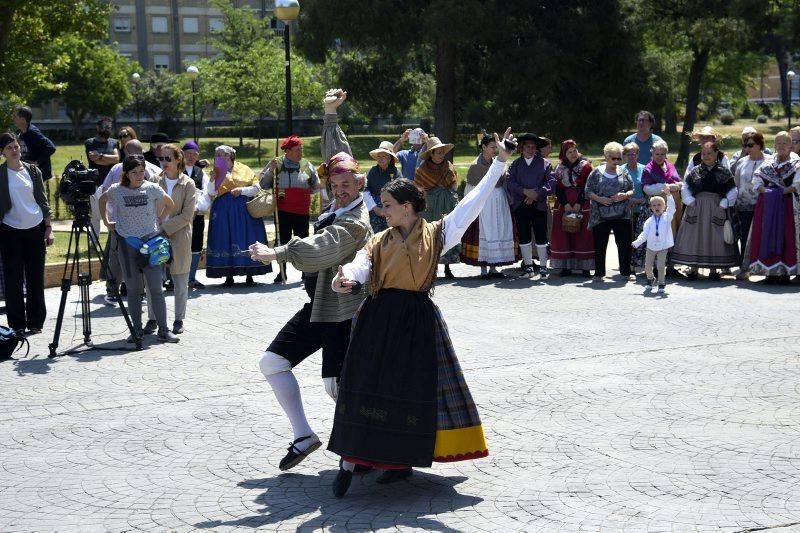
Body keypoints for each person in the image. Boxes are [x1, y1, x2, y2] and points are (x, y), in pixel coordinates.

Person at [325, 129, 515, 500]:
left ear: (408, 207)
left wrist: (499, 163)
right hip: (377, 319)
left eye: (387, 205)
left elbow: (473, 201)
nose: (381, 210)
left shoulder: (440, 233)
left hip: (417, 320)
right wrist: (344, 279)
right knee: (363, 388)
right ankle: (349, 463)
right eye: (381, 205)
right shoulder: (380, 239)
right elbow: (359, 265)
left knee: (409, 390)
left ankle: (399, 463)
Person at [249, 88, 372, 473]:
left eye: (347, 184)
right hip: (319, 305)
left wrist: (279, 253)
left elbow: (322, 248)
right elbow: (337, 157)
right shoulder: (337, 203)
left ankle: (371, 447)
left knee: (338, 387)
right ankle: (304, 436)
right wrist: (330, 115)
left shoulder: (355, 222)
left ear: (361, 185)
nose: (339, 188)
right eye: (335, 185)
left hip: (345, 310)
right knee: (272, 363)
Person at [98, 156, 178, 343]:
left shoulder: (151, 188)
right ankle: (136, 330)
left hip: (151, 244)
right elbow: (102, 200)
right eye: (134, 172)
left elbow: (170, 204)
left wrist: (159, 218)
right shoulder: (117, 190)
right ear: (126, 173)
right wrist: (107, 221)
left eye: (141, 171)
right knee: (134, 290)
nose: (139, 175)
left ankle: (164, 330)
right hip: (127, 245)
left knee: (156, 289)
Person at [0, 132, 54, 335]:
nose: (15, 150)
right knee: (13, 279)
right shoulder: (1, 173)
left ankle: (35, 322)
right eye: (9, 148)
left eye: (16, 146)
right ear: (2, 153)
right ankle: (16, 324)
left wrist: (49, 228)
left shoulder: (33, 171)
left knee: (35, 277)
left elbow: (43, 200)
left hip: (35, 227)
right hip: (9, 230)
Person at [99, 139, 162, 305]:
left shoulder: (149, 170)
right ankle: (116, 291)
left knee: (133, 258)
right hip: (122, 223)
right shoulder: (118, 169)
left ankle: (131, 292)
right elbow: (104, 194)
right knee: (118, 257)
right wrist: (107, 220)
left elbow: (161, 196)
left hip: (140, 226)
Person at [206, 145, 271, 287]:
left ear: (229, 156)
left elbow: (256, 188)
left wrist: (242, 190)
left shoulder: (245, 169)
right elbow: (211, 193)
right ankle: (228, 276)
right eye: (216, 155)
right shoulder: (215, 172)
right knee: (225, 238)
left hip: (244, 211)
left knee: (247, 237)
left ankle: (250, 275)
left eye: (219, 155)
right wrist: (212, 180)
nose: (216, 158)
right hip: (223, 212)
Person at [147, 144, 196, 335]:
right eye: (161, 159)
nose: (164, 163)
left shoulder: (188, 183)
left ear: (178, 160)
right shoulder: (153, 180)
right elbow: (147, 208)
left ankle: (178, 319)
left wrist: (164, 229)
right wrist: (155, 230)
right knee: (152, 281)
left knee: (180, 279)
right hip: (154, 237)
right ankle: (152, 319)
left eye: (168, 159)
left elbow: (187, 215)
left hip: (179, 236)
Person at [672, 141, 739, 279]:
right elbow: (685, 187)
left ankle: (714, 270)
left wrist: (725, 202)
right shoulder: (695, 171)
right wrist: (689, 200)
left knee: (715, 236)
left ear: (716, 154)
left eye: (709, 153)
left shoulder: (724, 172)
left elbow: (733, 190)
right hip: (696, 207)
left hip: (717, 207)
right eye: (704, 153)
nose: (706, 156)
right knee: (695, 236)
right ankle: (693, 268)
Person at [259, 135, 320, 283]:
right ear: (287, 151)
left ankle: (306, 273)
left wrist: (301, 193)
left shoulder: (307, 165)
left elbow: (315, 186)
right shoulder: (276, 163)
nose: (300, 153)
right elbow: (263, 184)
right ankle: (282, 273)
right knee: (283, 242)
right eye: (297, 150)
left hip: (302, 211)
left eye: (301, 150)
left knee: (304, 242)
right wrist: (270, 170)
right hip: (282, 211)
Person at [744, 131, 800, 284]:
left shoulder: (796, 163)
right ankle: (769, 273)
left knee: (786, 237)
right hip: (768, 206)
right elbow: (757, 181)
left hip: (787, 207)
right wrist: (769, 192)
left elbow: (796, 185)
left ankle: (784, 273)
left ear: (791, 146)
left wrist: (778, 192)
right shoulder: (768, 163)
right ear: (774, 145)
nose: (781, 146)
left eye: (785, 143)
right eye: (778, 143)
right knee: (766, 235)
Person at [459, 134, 518, 278]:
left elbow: (503, 179)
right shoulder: (476, 165)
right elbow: (470, 189)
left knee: (497, 230)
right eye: (492, 147)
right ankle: (483, 269)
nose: (494, 150)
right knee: (484, 232)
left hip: (499, 202)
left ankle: (493, 268)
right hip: (484, 203)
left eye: (496, 147)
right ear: (484, 147)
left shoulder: (497, 162)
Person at [506, 133, 555, 279]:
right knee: (524, 237)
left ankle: (543, 268)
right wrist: (524, 192)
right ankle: (528, 268)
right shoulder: (515, 164)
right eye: (527, 147)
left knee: (541, 236)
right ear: (521, 148)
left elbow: (551, 182)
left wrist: (537, 194)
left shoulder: (545, 164)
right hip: (520, 205)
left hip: (539, 205)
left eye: (533, 147)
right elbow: (510, 182)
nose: (530, 149)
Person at [585, 142, 635, 282]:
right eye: (614, 158)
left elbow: (632, 189)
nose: (617, 161)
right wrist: (599, 199)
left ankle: (626, 271)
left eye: (619, 158)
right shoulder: (595, 172)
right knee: (600, 244)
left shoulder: (624, 171)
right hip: (600, 214)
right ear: (606, 157)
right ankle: (599, 273)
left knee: (624, 244)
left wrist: (624, 195)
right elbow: (587, 191)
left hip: (622, 214)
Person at [414, 137, 460, 278]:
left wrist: (451, 197)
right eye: (438, 152)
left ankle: (447, 268)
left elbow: (454, 185)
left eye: (442, 152)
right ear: (431, 154)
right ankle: (430, 269)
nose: (441, 155)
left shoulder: (449, 166)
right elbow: (418, 188)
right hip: (430, 206)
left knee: (446, 232)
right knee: (430, 235)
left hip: (447, 204)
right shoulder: (422, 169)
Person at [549, 140, 594, 276]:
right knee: (564, 234)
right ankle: (565, 267)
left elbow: (587, 186)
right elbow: (558, 188)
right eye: (569, 152)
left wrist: (579, 203)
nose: (573, 154)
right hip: (564, 203)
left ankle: (585, 267)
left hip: (582, 201)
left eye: (575, 150)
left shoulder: (586, 166)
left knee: (583, 235)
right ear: (564, 153)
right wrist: (566, 204)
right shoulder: (559, 168)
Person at [641, 140, 683, 276]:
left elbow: (678, 181)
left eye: (662, 154)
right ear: (652, 153)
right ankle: (656, 267)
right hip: (657, 206)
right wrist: (664, 187)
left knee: (672, 233)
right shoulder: (648, 169)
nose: (659, 156)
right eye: (657, 153)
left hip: (673, 204)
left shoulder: (670, 166)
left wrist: (677, 185)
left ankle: (671, 266)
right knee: (658, 234)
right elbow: (646, 189)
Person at [733, 132, 767, 279]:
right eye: (745, 145)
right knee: (744, 236)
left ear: (760, 145)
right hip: (744, 205)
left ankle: (765, 268)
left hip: (763, 205)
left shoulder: (769, 161)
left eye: (751, 145)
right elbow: (736, 183)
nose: (747, 148)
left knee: (764, 236)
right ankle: (744, 268)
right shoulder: (742, 162)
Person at [632, 194, 676, 294]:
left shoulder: (667, 217)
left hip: (663, 247)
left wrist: (669, 195)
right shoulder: (648, 221)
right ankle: (650, 278)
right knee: (647, 266)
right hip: (651, 247)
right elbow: (644, 234)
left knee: (660, 266)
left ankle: (661, 283)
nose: (657, 207)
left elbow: (672, 207)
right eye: (654, 205)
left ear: (664, 207)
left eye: (659, 205)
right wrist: (637, 242)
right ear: (651, 208)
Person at [183, 141, 211, 289]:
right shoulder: (176, 170)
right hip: (180, 216)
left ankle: (191, 278)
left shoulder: (201, 172)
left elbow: (206, 193)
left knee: (195, 247)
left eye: (194, 154)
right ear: (182, 154)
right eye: (188, 153)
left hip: (197, 215)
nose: (191, 157)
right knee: (179, 246)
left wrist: (198, 207)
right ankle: (174, 280)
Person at [86, 117, 121, 237]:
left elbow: (117, 159)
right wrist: (107, 159)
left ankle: (113, 239)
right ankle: (94, 241)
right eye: (105, 127)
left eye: (110, 127)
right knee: (96, 215)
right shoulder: (90, 142)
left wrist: (100, 155)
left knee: (112, 213)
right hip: (96, 183)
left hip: (112, 183)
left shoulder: (114, 142)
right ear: (98, 127)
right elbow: (94, 160)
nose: (108, 129)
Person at [363, 141, 401, 233]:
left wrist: (389, 208)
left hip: (392, 208)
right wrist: (376, 209)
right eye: (378, 156)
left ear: (389, 158)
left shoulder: (396, 173)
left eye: (383, 156)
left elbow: (401, 193)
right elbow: (365, 191)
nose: (380, 159)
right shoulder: (373, 172)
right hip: (375, 209)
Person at [12, 105, 56, 181]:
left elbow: (51, 147)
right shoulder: (21, 132)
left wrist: (37, 162)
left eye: (15, 117)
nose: (13, 119)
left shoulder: (33, 132)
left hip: (38, 173)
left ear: (22, 119)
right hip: (28, 171)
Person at [623, 143, 647, 272]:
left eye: (634, 154)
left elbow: (648, 191)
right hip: (624, 211)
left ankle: (639, 265)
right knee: (627, 239)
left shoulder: (644, 169)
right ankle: (628, 267)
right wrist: (627, 199)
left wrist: (638, 200)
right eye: (628, 154)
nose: (631, 156)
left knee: (639, 239)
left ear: (638, 155)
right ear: (624, 156)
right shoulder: (620, 170)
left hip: (642, 210)